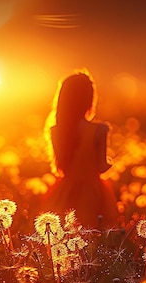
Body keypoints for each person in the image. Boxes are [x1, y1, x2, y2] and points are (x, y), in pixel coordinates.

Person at [43, 69, 118, 227]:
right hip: (94, 193)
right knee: (95, 232)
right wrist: (114, 163)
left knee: (64, 230)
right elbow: (101, 167)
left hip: (64, 192)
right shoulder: (100, 130)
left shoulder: (56, 131)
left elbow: (61, 167)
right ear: (89, 99)